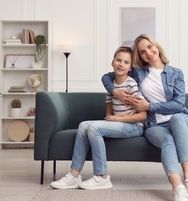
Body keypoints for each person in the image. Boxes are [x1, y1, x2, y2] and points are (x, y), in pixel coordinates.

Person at [102, 34, 188, 201]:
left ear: (156, 46)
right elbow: (106, 77)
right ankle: (178, 189)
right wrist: (114, 92)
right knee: (167, 140)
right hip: (155, 126)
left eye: (149, 47)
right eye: (142, 51)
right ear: (140, 56)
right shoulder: (138, 73)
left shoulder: (176, 73)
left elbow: (178, 104)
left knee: (176, 118)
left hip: (182, 120)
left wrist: (150, 106)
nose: (148, 52)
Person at [50, 46, 147, 190]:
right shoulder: (111, 87)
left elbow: (143, 116)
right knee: (83, 125)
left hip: (134, 127)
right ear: (112, 62)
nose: (121, 64)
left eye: (126, 62)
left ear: (130, 67)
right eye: (118, 60)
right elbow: (109, 116)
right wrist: (117, 116)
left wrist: (119, 119)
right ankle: (74, 175)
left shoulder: (131, 84)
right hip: (120, 122)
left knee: (94, 128)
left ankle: (102, 176)